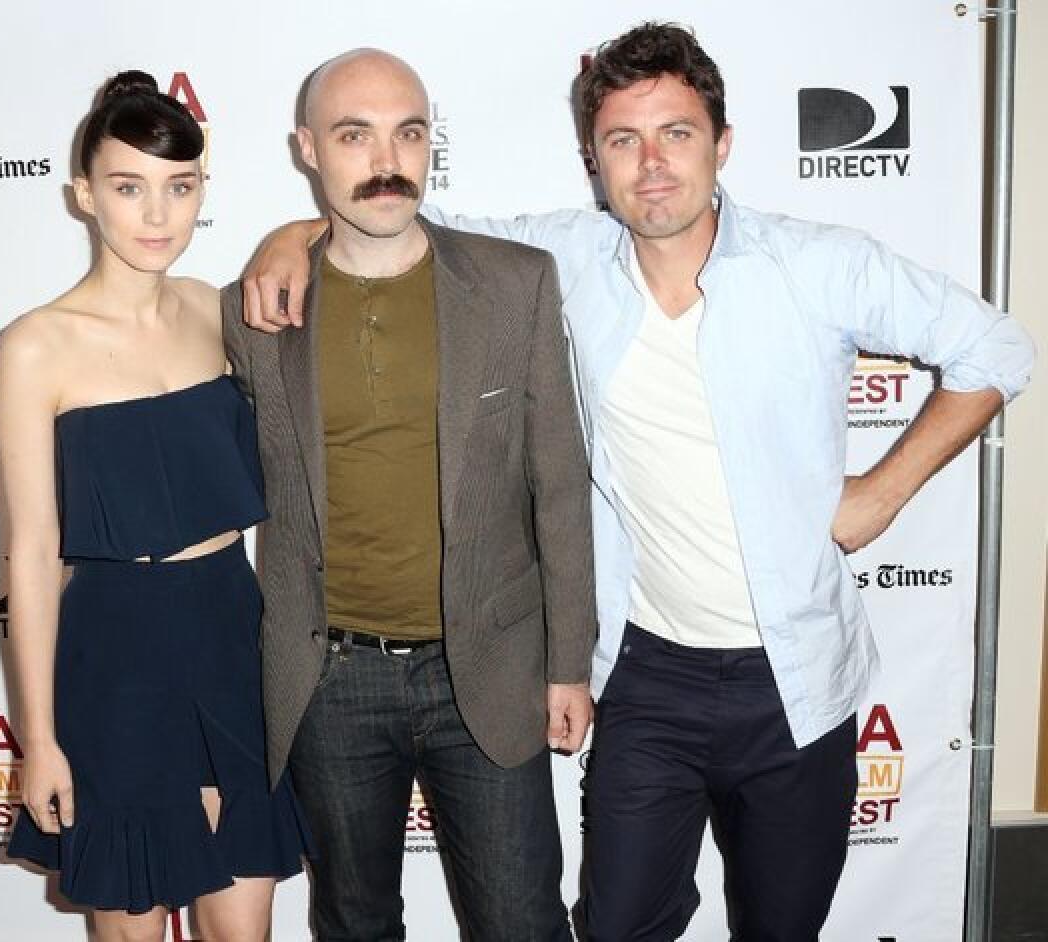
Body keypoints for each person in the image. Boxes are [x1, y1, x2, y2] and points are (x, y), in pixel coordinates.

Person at [240, 22, 1035, 942]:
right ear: (594, 159)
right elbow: (392, 216)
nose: (651, 165)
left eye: (678, 134)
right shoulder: (560, 261)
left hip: (797, 678)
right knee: (615, 925)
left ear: (722, 143)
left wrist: (881, 491)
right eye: (624, 140)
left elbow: (995, 349)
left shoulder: (819, 264)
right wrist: (289, 235)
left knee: (781, 927)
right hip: (646, 676)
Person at [221, 49, 595, 941]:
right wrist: (287, 238)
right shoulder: (253, 309)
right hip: (328, 679)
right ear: (307, 149)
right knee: (354, 923)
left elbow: (561, 484)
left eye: (409, 132)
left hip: (491, 670)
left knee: (522, 922)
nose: (387, 158)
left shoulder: (516, 282)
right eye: (355, 135)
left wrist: (569, 661)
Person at [0, 71, 309, 942]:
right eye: (130, 188)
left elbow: (355, 230)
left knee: (241, 930)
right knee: (129, 928)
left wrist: (291, 229)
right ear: (84, 195)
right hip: (113, 654)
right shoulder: (33, 347)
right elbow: (29, 552)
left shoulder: (217, 311)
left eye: (181, 187)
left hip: (229, 631)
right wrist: (40, 739)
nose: (157, 214)